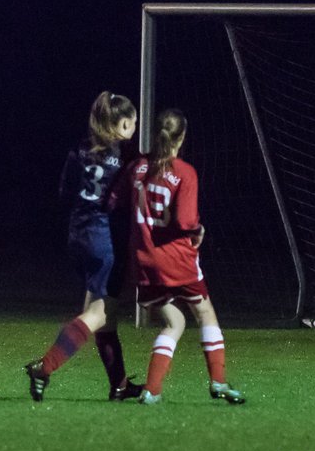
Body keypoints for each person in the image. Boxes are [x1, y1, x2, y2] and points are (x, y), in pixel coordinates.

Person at [122, 108, 246, 405]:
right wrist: (198, 229)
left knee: (173, 323)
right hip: (177, 259)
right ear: (182, 137)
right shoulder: (184, 172)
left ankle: (152, 391)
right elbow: (185, 220)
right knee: (205, 314)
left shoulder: (137, 167)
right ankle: (218, 382)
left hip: (145, 261)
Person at [24, 91, 143, 402]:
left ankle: (118, 384)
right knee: (99, 314)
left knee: (104, 316)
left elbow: (65, 193)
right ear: (123, 124)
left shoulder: (79, 150)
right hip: (103, 239)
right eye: (132, 123)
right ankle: (44, 367)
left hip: (77, 235)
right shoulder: (128, 158)